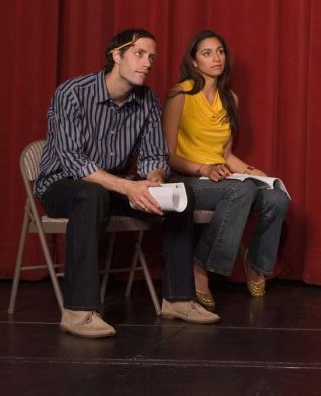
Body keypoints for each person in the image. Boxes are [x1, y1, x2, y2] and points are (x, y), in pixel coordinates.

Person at [36, 28, 220, 338]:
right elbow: (74, 161)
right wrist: (128, 187)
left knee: (180, 193)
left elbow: (153, 156)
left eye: (152, 57)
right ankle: (78, 311)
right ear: (116, 56)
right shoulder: (72, 93)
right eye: (139, 54)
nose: (148, 62)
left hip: (117, 185)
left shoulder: (147, 99)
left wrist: (154, 179)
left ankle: (177, 299)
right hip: (65, 184)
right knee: (91, 193)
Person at [162, 29, 289, 310]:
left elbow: (226, 154)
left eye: (219, 51)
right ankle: (200, 267)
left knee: (276, 196)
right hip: (186, 178)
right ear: (194, 62)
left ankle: (256, 263)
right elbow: (167, 155)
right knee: (241, 190)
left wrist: (253, 171)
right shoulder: (180, 93)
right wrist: (203, 169)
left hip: (221, 177)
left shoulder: (230, 98)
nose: (216, 58)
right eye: (207, 53)